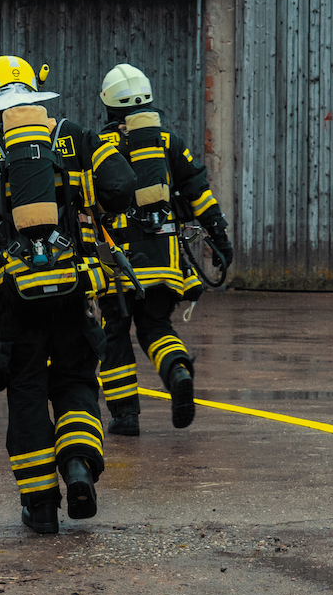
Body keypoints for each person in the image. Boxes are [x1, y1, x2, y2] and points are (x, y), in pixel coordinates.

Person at [0, 56, 132, 535]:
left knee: (26, 392)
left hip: (14, 300)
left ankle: (41, 507)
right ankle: (79, 464)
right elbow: (122, 187)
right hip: (74, 290)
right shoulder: (74, 135)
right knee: (75, 380)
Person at [93, 64, 235, 435]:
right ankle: (177, 371)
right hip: (162, 260)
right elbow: (198, 192)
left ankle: (125, 416)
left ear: (108, 104)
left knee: (115, 334)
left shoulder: (98, 146)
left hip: (117, 263)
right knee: (155, 326)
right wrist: (219, 238)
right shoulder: (168, 142)